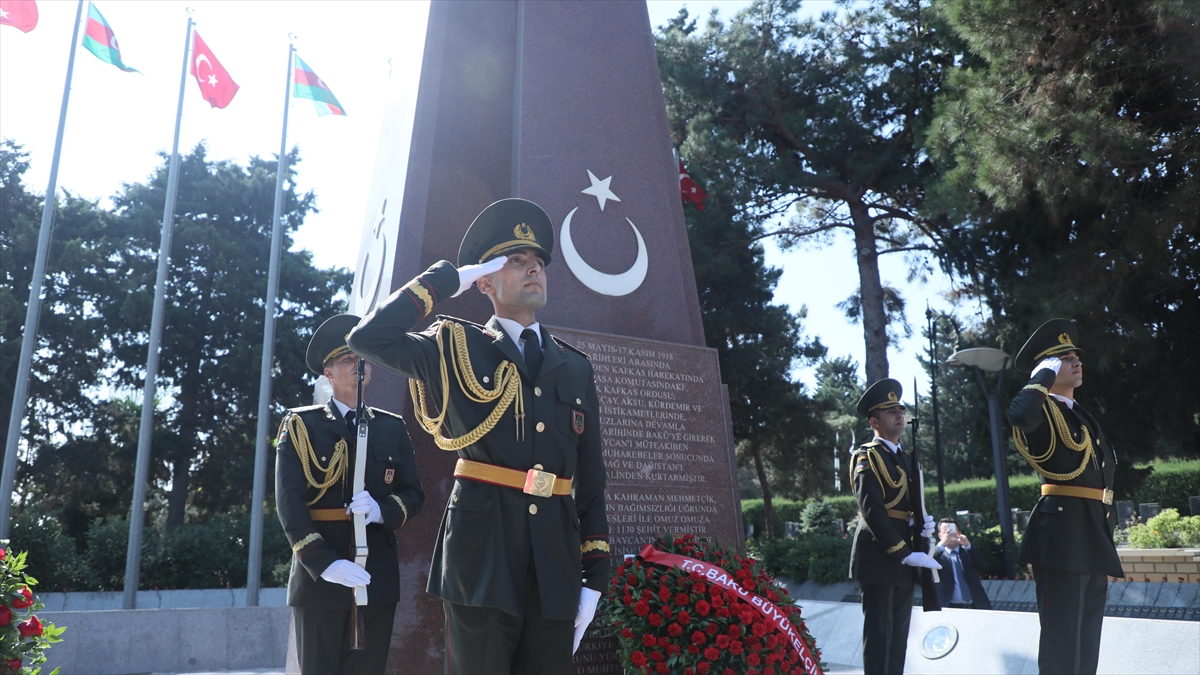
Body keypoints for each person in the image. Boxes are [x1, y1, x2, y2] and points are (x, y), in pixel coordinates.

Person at [347, 198, 610, 675]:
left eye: (539, 263)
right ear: (485, 281)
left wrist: (595, 577)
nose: (534, 270)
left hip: (554, 562)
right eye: (516, 261)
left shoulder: (575, 366)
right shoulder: (453, 345)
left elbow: (590, 481)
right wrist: (450, 278)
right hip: (481, 558)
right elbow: (368, 340)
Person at [275, 314, 426, 675]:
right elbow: (289, 502)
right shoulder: (301, 425)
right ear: (328, 373)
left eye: (362, 358)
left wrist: (381, 511)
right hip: (320, 578)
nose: (359, 366)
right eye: (348, 360)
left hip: (376, 575)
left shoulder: (391, 427)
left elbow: (413, 494)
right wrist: (323, 562)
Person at [1008, 318, 1121, 675]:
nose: (1076, 361)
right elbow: (1018, 413)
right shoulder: (1041, 411)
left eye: (1076, 356)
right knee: (1062, 647)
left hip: (1091, 533)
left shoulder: (1079, 416)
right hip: (1061, 537)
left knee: (1086, 648)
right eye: (1063, 358)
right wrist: (1039, 378)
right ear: (1047, 367)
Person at [848, 378, 940, 675]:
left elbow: (908, 504)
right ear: (874, 421)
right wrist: (903, 551)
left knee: (899, 636)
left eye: (900, 409)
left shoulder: (906, 458)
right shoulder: (867, 456)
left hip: (905, 552)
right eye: (890, 411)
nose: (899, 414)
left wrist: (920, 522)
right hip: (880, 552)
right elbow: (873, 510)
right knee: (879, 635)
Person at [932, 519, 991, 610]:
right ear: (940, 536)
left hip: (976, 605)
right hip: (949, 606)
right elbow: (927, 566)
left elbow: (983, 565)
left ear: (959, 533)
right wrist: (941, 545)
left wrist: (967, 545)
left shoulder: (968, 551)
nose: (950, 535)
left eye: (952, 531)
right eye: (945, 532)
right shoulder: (938, 555)